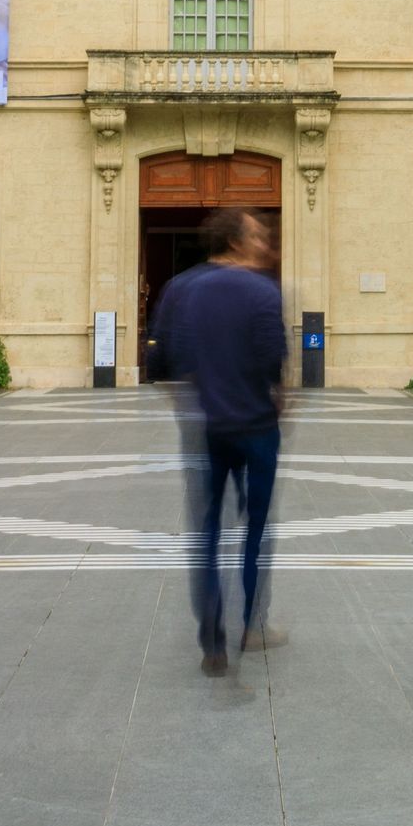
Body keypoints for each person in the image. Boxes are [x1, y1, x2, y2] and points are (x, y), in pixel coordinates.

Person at [155, 206, 287, 676]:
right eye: (256, 234)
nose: (264, 241)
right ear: (235, 241)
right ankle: (252, 626)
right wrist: (276, 401)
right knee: (255, 531)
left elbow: (165, 362)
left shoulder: (180, 289)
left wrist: (191, 406)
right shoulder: (262, 290)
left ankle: (212, 639)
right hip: (255, 428)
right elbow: (273, 362)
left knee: (206, 533)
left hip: (205, 427)